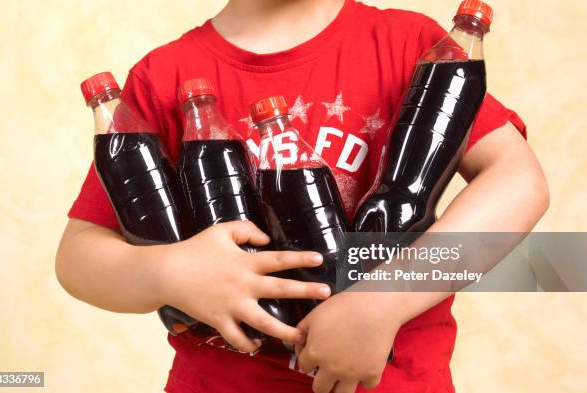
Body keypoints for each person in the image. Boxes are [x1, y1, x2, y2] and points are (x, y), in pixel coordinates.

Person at [55, 0, 549, 392]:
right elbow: (78, 256)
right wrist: (171, 271)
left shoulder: (408, 43)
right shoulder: (163, 76)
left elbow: (519, 181)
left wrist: (383, 301)